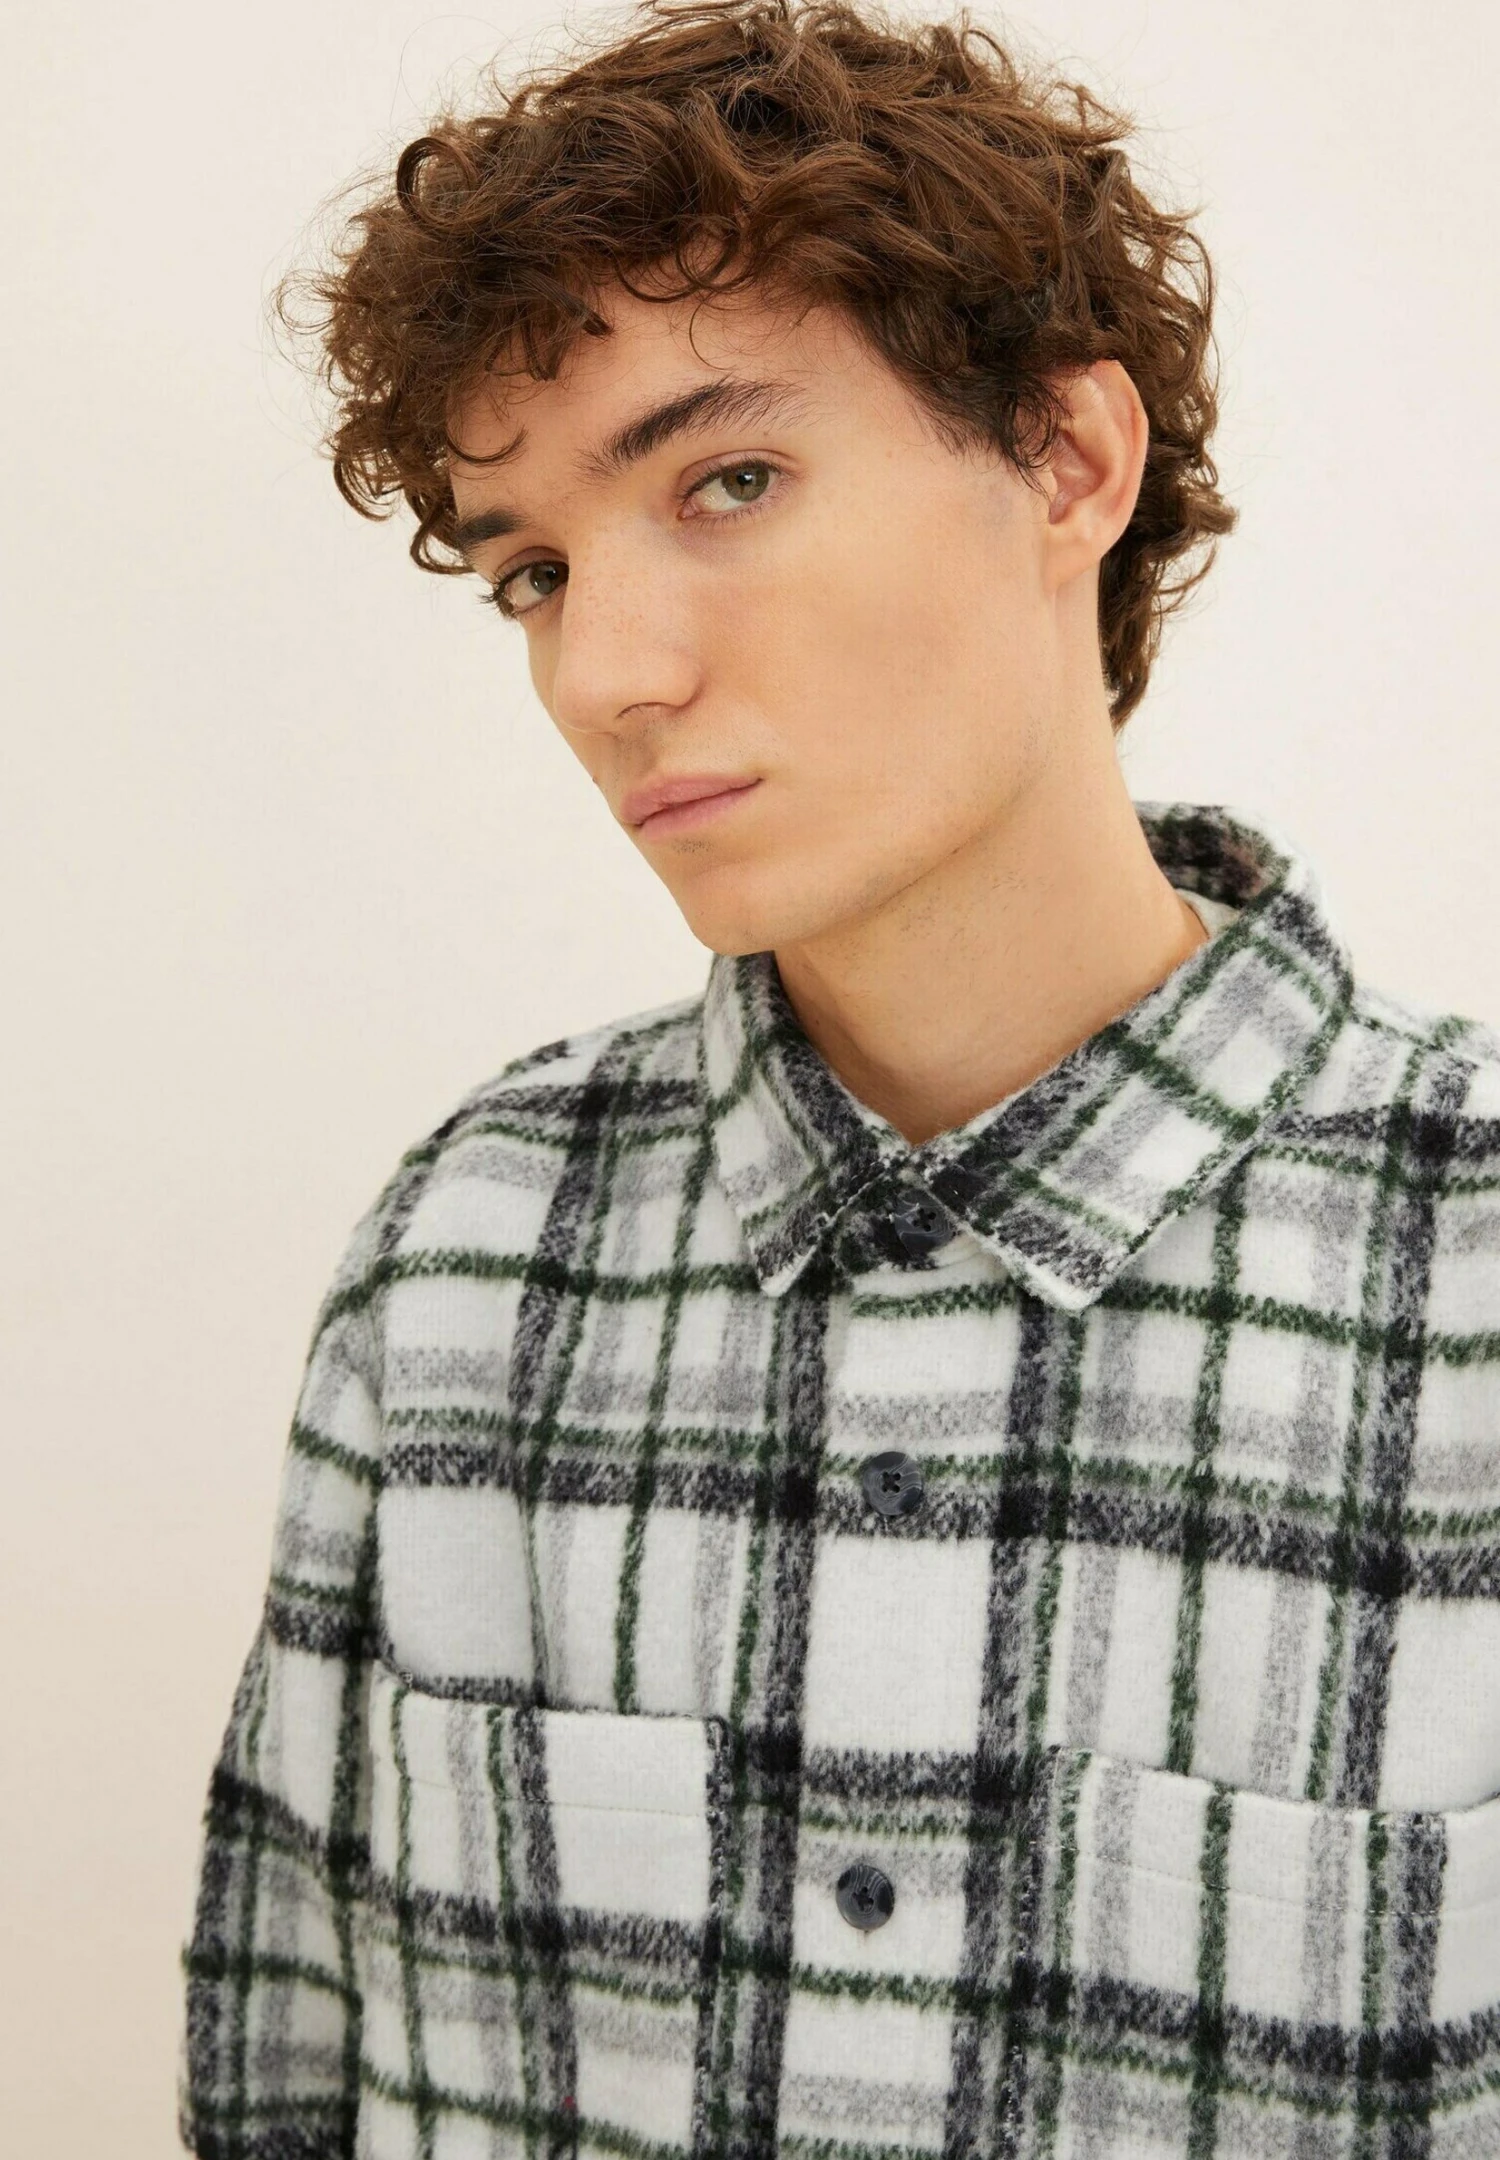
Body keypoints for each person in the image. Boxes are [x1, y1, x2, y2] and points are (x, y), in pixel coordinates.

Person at [176, 2, 1500, 2154]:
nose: (607, 674)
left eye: (729, 481)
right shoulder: (463, 1268)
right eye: (536, 572)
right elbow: (281, 2083)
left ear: (1068, 461)